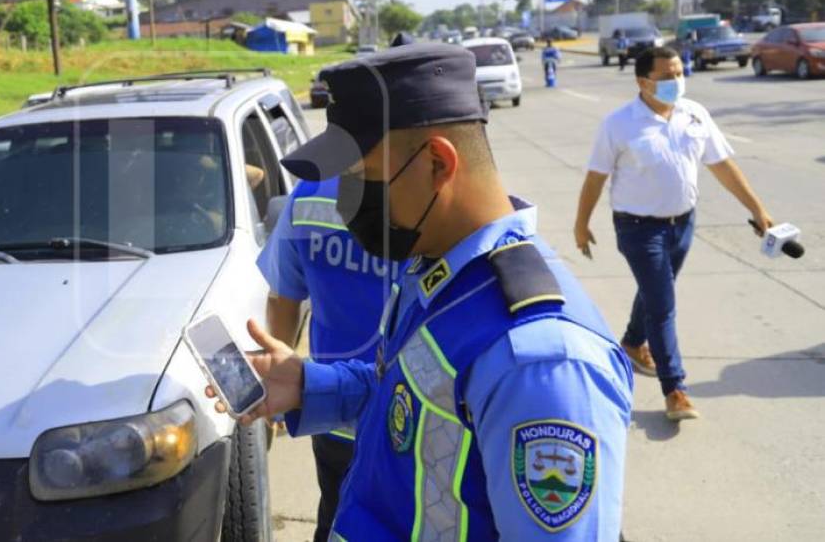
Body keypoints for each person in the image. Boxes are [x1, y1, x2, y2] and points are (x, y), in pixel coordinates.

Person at [209, 42, 633, 540]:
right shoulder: (437, 270)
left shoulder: (541, 362)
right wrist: (310, 384)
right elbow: (419, 402)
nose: (346, 204)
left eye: (359, 179)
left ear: (437, 163)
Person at [573, 46, 774, 421]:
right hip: (637, 228)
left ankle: (633, 343)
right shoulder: (618, 124)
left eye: (680, 72)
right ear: (642, 81)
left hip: (683, 223)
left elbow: (723, 166)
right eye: (666, 76)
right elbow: (595, 178)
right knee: (662, 304)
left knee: (656, 290)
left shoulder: (694, 114)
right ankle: (675, 388)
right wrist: (580, 224)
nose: (676, 81)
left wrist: (757, 209)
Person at [256, 174, 397, 542]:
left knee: (337, 519)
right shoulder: (418, 193)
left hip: (330, 409)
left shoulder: (305, 196)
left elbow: (283, 299)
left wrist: (282, 377)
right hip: (405, 414)